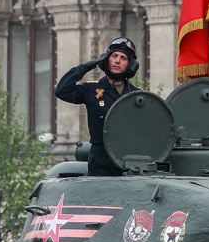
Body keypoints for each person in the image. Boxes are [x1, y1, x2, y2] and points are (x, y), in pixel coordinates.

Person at [55, 37, 143, 176]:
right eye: (114, 56)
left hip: (129, 163)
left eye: (123, 58)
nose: (117, 61)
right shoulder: (92, 90)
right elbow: (62, 91)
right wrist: (86, 66)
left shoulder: (137, 95)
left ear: (130, 65)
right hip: (101, 164)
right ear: (106, 59)